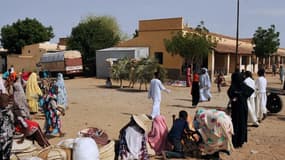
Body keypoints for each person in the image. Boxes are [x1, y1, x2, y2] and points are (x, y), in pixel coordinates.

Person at [227, 71, 254, 148]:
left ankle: (237, 141)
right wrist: (240, 95)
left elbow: (250, 91)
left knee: (238, 123)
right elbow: (230, 93)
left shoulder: (238, 86)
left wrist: (239, 94)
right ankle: (239, 141)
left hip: (238, 108)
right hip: (241, 107)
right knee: (240, 123)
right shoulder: (238, 86)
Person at [0, 93, 15, 160]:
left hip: (2, 138)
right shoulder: (10, 111)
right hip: (9, 136)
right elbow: (12, 123)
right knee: (7, 154)